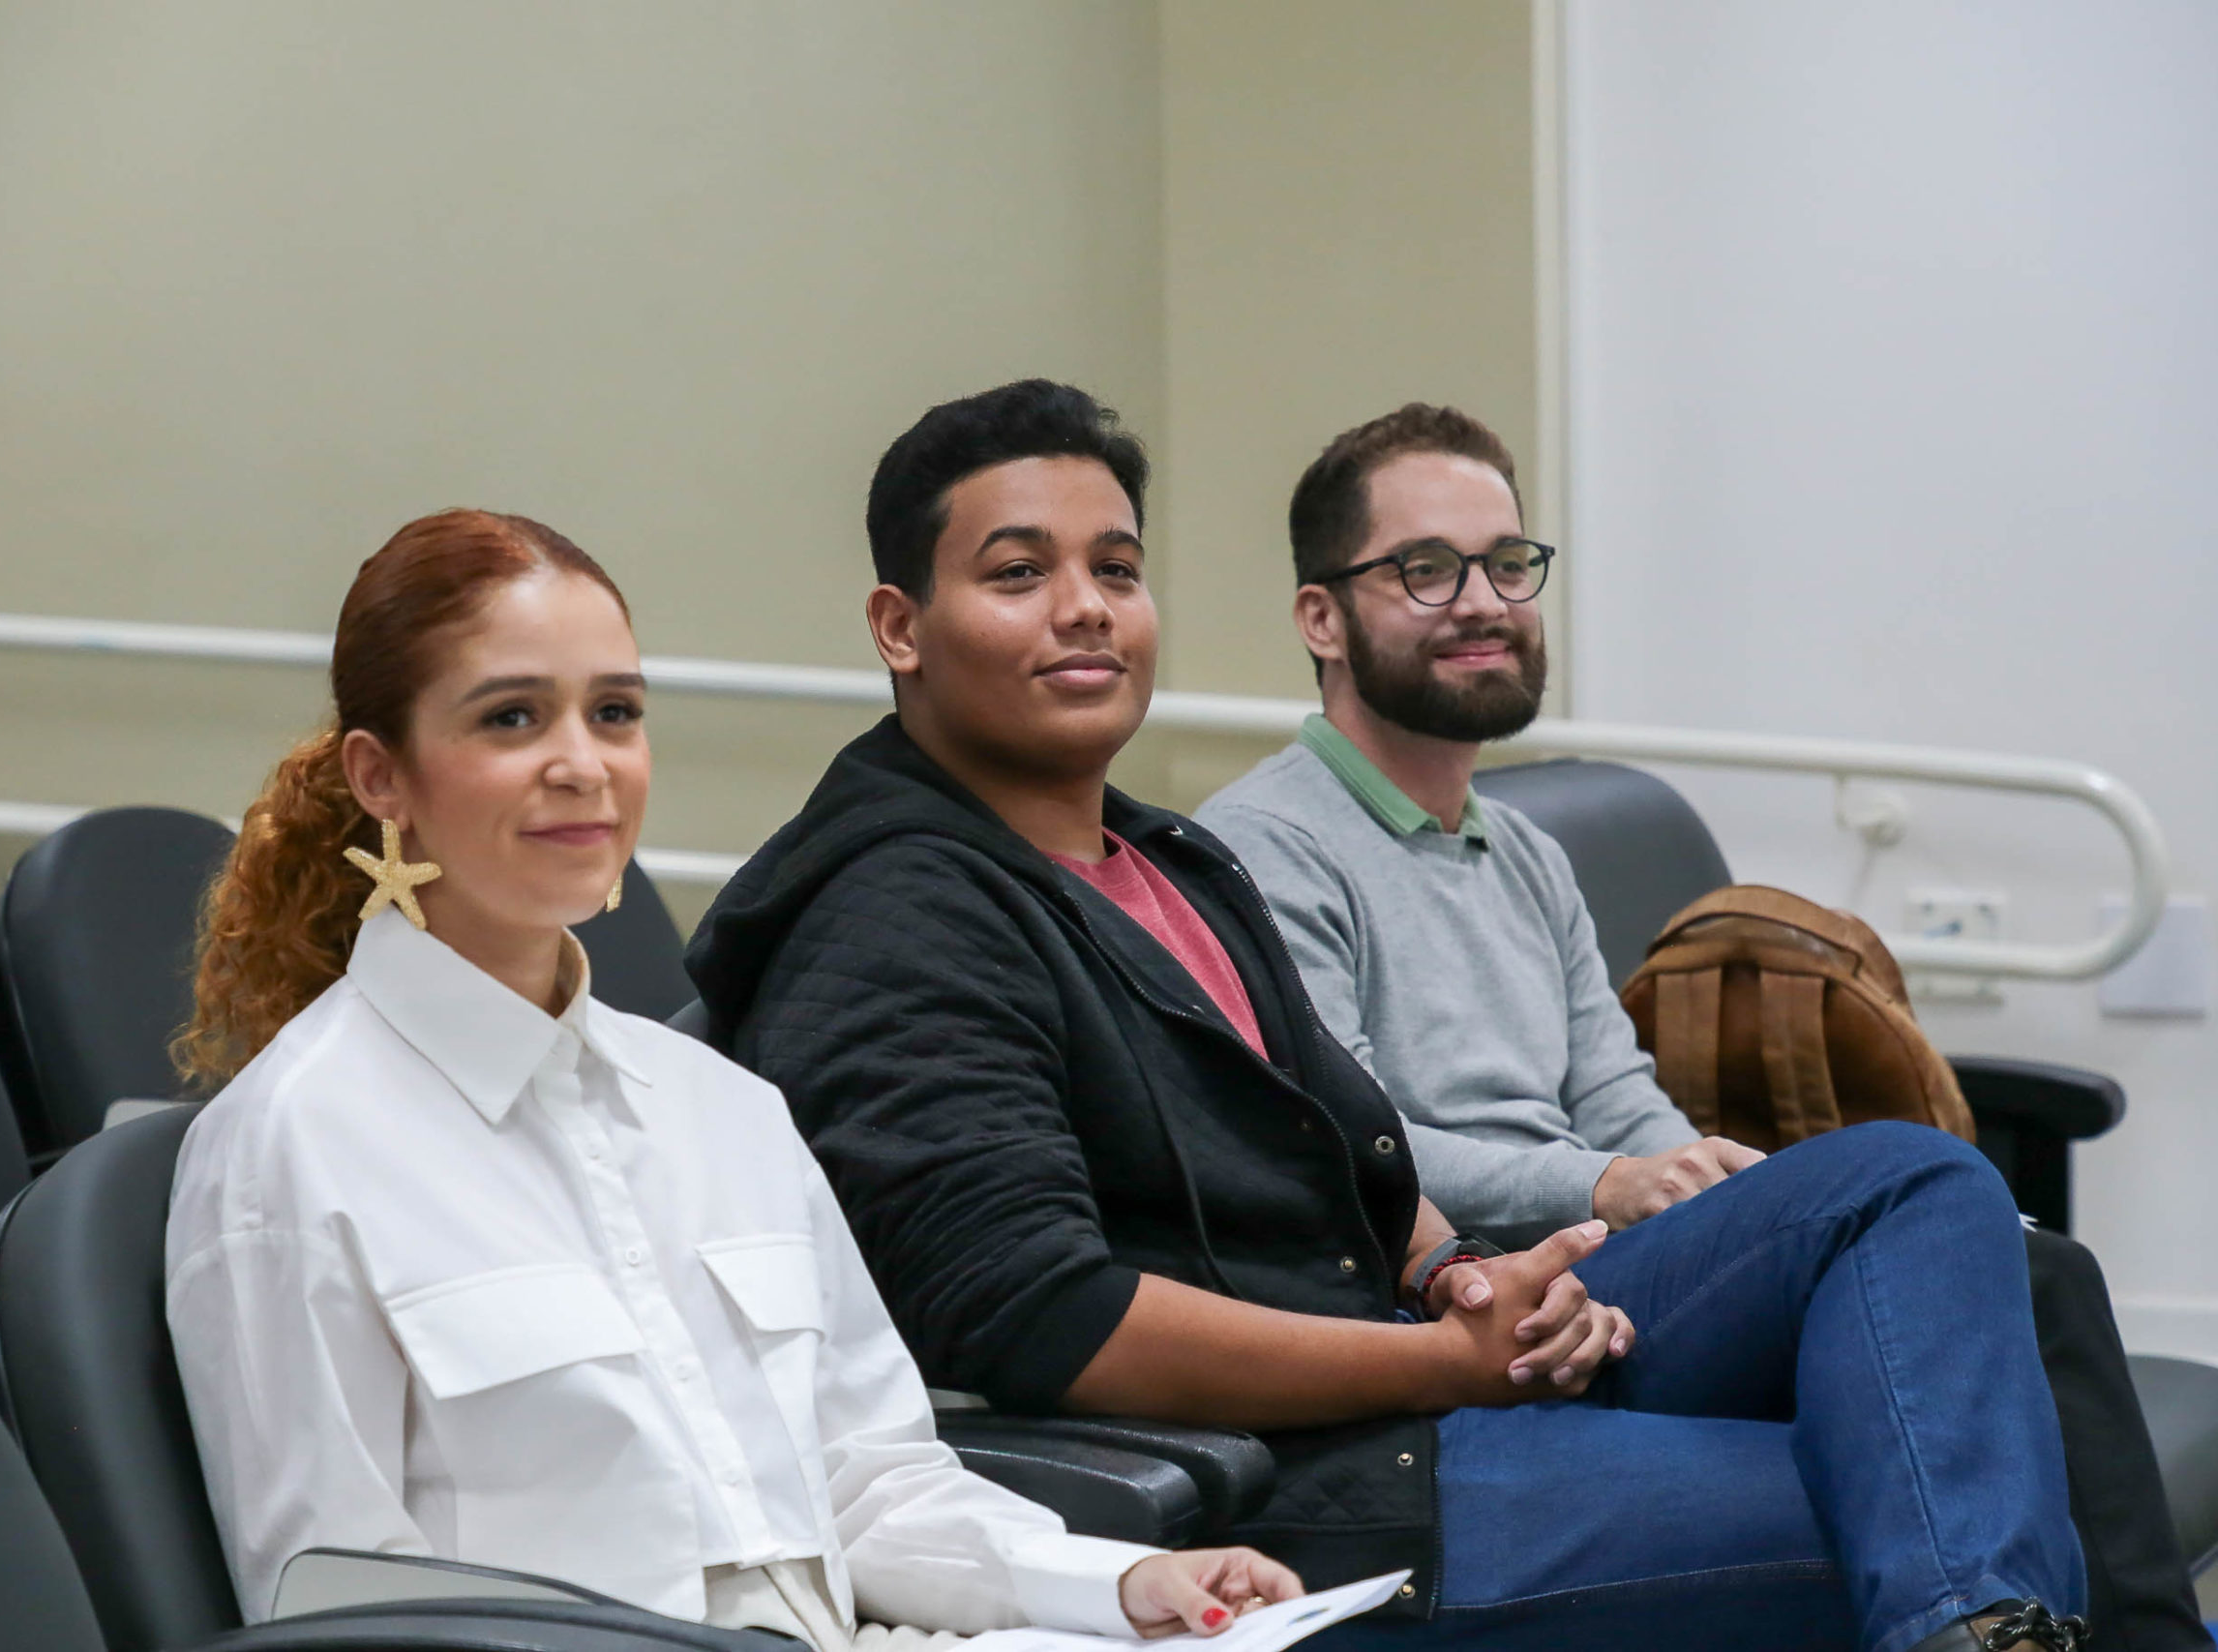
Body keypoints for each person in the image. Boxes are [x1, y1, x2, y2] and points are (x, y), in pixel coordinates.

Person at [686, 380, 2094, 1652]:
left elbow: (1341, 1135)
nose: (1086, 607)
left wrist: (1460, 1279)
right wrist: (1439, 1360)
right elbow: (1043, 1319)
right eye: (1018, 573)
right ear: (900, 627)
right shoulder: (893, 912)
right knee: (1917, 1499)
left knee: (1913, 1181)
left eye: (1114, 568)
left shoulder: (1170, 860)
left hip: (1420, 1365)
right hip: (1301, 1487)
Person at [164, 508, 1301, 1644]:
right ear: (381, 776)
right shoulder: (294, 1146)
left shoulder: (720, 1106)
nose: (583, 765)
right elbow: (337, 1613)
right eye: (512, 717)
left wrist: (1119, 1585)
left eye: (615, 713)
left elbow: (870, 1486)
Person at [1192, 402, 2208, 1652]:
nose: (1483, 600)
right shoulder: (1264, 849)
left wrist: (1715, 1189)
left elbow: (1617, 1094)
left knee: (2033, 1267)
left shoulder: (1524, 854)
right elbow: (1355, 1148)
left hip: (1608, 1275)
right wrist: (1609, 1184)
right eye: (1427, 569)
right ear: (1321, 617)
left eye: (1507, 563)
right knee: (1919, 1175)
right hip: (1476, 1301)